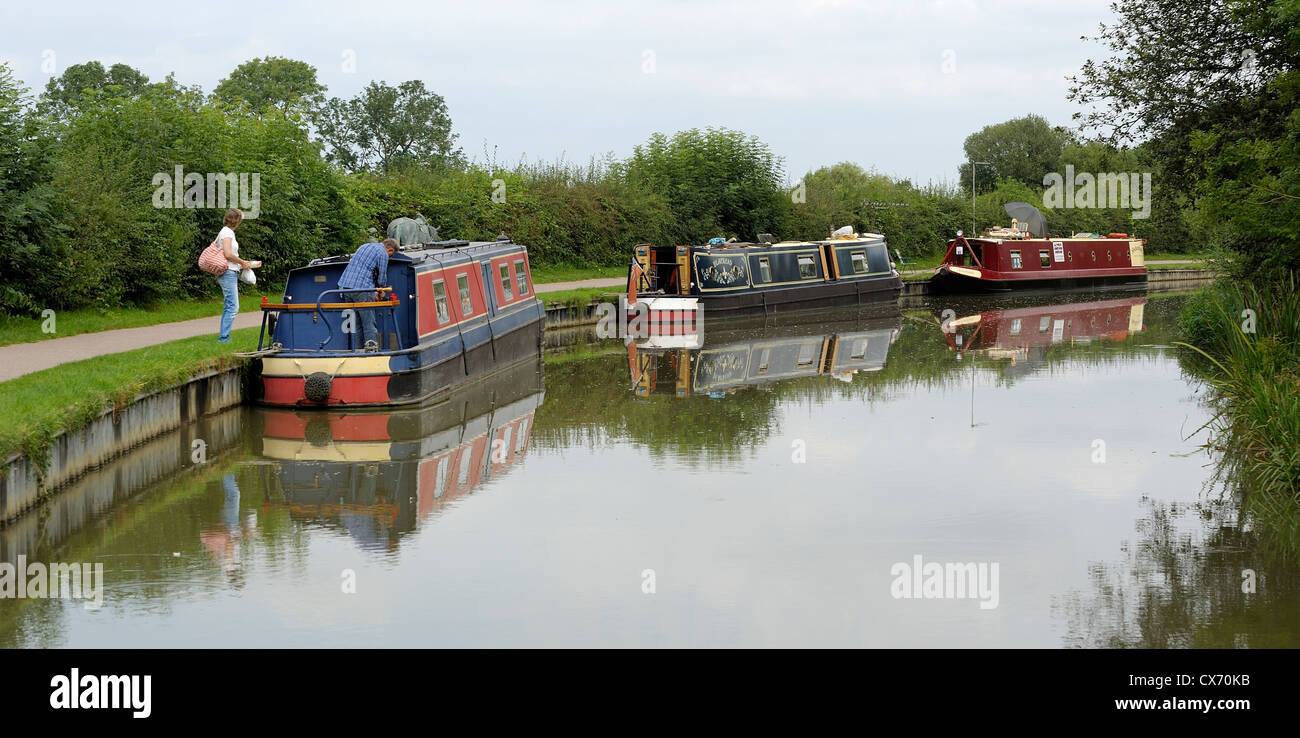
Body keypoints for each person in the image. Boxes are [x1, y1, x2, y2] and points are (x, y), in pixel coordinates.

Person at [337, 238, 398, 351]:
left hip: (345, 288)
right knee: (369, 323)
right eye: (391, 255)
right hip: (362, 289)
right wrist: (381, 290)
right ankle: (372, 350)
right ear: (390, 250)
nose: (389, 257)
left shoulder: (364, 246)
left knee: (356, 324)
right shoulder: (382, 253)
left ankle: (358, 351)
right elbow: (381, 277)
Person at [216, 208, 259, 343]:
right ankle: (224, 338)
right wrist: (241, 262)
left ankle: (224, 336)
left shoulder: (227, 232)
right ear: (237, 220)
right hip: (228, 272)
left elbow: (227, 255)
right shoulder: (227, 233)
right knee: (233, 306)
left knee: (229, 305)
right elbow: (228, 254)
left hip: (230, 270)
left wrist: (242, 264)